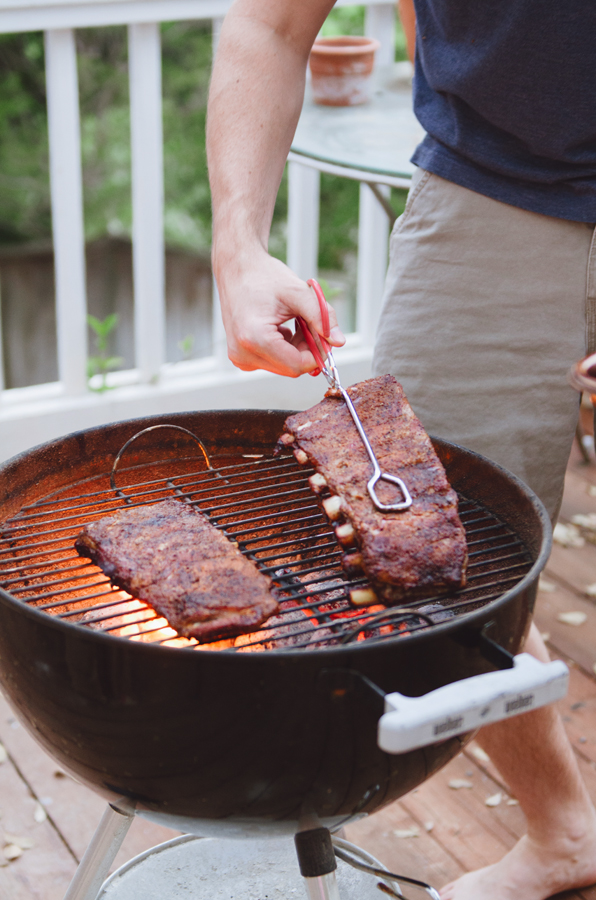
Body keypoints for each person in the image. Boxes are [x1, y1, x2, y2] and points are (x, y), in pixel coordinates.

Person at [206, 2, 596, 897]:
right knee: (432, 566)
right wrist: (237, 251)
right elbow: (270, 26)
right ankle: (564, 834)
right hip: (489, 198)